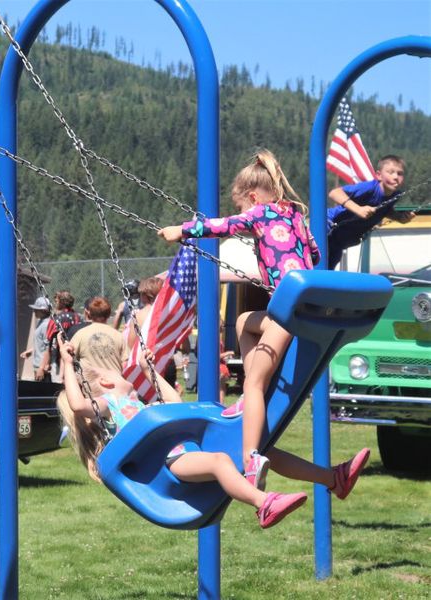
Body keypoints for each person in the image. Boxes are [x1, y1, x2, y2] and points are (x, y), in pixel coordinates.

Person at [157, 149, 373, 493]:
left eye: (244, 206)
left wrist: (178, 231)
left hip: (287, 313)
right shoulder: (296, 217)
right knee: (244, 321)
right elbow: (315, 253)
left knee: (255, 384)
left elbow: (218, 226)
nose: (245, 214)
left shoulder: (259, 213)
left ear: (254, 197)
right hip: (307, 307)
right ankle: (331, 476)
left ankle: (250, 455)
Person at [57, 334, 309, 530]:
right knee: (220, 461)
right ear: (106, 383)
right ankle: (263, 503)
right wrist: (67, 363)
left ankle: (329, 477)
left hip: (183, 453)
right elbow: (79, 405)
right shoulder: (110, 406)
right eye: (118, 372)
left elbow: (174, 403)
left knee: (261, 449)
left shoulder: (138, 406)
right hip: (170, 462)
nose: (125, 374)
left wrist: (149, 370)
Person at [327, 155, 415, 269]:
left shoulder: (395, 195)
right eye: (390, 172)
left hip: (339, 239)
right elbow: (334, 193)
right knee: (314, 260)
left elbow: (384, 210)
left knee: (328, 268)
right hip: (329, 224)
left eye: (400, 173)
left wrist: (400, 218)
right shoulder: (369, 188)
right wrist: (358, 209)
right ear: (379, 175)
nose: (395, 177)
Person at [70, 296, 128, 374]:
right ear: (109, 314)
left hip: (89, 383)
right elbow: (125, 362)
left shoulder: (80, 334)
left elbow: (70, 358)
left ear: (89, 313)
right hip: (114, 382)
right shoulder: (118, 336)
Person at [39, 290, 82, 382]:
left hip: (59, 358)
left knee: (59, 385)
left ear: (62, 303)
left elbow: (49, 342)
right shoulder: (77, 317)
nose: (55, 304)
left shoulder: (57, 319)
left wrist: (43, 365)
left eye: (57, 301)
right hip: (76, 356)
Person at [20, 296, 51, 381]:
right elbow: (41, 344)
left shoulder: (46, 325)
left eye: (36, 310)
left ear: (44, 311)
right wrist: (30, 351)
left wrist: (41, 368)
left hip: (43, 369)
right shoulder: (41, 322)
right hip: (38, 367)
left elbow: (48, 347)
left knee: (43, 393)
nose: (34, 311)